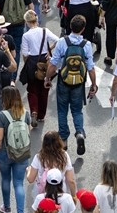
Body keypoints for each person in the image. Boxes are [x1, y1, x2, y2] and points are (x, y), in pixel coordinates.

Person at [47, 14, 98, 155]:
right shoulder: (86, 45)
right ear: (83, 29)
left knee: (62, 110)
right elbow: (91, 67)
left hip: (63, 81)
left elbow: (53, 64)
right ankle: (80, 132)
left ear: (70, 27)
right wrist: (94, 84)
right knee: (77, 110)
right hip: (78, 84)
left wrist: (47, 78)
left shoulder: (63, 42)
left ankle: (63, 139)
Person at [0, 86, 33, 213]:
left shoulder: (2, 115)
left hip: (5, 153)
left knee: (5, 179)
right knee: (19, 183)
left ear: (5, 99)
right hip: (22, 152)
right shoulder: (25, 113)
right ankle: (20, 211)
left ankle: (7, 207)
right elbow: (29, 129)